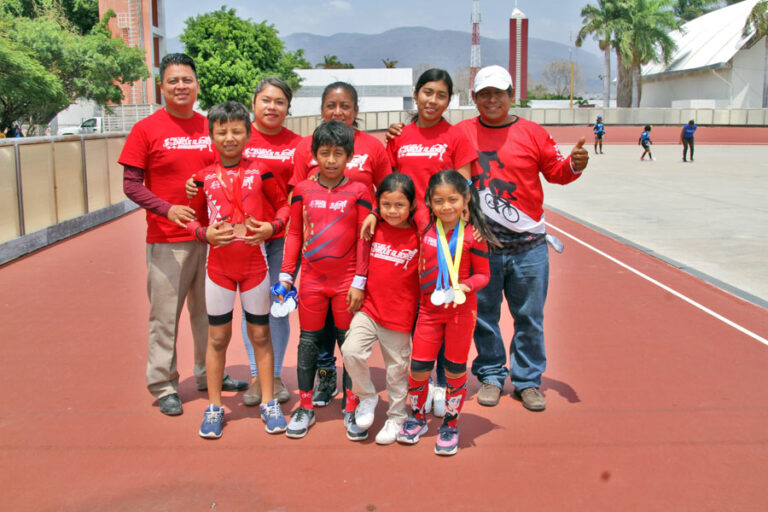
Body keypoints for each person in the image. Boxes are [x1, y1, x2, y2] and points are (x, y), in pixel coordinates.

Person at [454, 65, 589, 411]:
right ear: (474, 99)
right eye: (484, 94)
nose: (492, 100)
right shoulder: (462, 132)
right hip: (481, 246)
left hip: (528, 247)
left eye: (499, 93)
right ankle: (490, 376)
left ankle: (527, 381)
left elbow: (557, 174)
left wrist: (574, 164)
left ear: (512, 96)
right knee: (484, 315)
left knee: (529, 316)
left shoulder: (533, 133)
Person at [119, 53, 246, 416]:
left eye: (186, 80)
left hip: (212, 238)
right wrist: (167, 208)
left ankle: (209, 374)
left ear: (197, 85)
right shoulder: (146, 129)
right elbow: (131, 184)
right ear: (161, 87)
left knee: (209, 314)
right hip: (167, 241)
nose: (180, 86)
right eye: (173, 81)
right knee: (165, 315)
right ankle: (164, 384)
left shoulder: (211, 127)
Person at [187, 101, 289, 438]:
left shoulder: (261, 171)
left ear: (248, 134)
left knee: (260, 334)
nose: (229, 137)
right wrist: (204, 234)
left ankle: (269, 402)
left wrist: (271, 229)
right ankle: (215, 407)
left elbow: (286, 207)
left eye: (236, 131)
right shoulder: (201, 178)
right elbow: (192, 221)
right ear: (211, 135)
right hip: (218, 267)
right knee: (218, 337)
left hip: (255, 266)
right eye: (222, 131)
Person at [379, 68, 476, 418]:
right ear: (416, 94)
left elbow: (464, 191)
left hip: (444, 240)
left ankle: (439, 384)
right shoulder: (399, 135)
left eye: (441, 95)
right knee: (417, 310)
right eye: (427, 92)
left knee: (444, 307)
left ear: (449, 100)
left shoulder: (457, 136)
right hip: (407, 235)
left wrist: (459, 229)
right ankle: (414, 381)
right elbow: (390, 183)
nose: (432, 101)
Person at [291, 82, 391, 409]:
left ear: (356, 111)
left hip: (354, 254)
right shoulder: (306, 148)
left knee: (347, 330)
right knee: (314, 331)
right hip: (316, 264)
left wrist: (375, 214)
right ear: (321, 110)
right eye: (331, 105)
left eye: (345, 105)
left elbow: (386, 190)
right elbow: (298, 205)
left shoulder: (373, 147)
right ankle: (324, 375)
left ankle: (353, 396)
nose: (338, 111)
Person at [278, 121, 373, 439]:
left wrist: (360, 281)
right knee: (308, 344)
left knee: (351, 349)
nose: (331, 160)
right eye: (324, 153)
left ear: (349, 156)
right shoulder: (303, 189)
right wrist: (286, 276)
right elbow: (293, 234)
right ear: (314, 155)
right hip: (312, 283)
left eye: (338, 153)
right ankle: (305, 407)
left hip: (347, 283)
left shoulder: (360, 191)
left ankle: (351, 408)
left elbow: (364, 240)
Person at [395, 170, 493, 456]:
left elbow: (485, 275)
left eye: (453, 199)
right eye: (439, 200)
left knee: (453, 370)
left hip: (461, 313)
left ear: (465, 201)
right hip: (428, 311)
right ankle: (417, 418)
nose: (446, 206)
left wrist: (466, 284)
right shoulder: (425, 227)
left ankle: (450, 424)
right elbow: (398, 208)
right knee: (419, 368)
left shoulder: (475, 234)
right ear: (429, 202)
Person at [341, 173, 420, 444]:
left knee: (396, 370)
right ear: (378, 205)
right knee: (350, 351)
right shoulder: (374, 227)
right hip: (370, 309)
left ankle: (397, 416)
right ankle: (367, 396)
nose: (392, 211)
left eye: (400, 205)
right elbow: (361, 257)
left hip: (400, 315)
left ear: (411, 206)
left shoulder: (419, 234)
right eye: (386, 205)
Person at [239, 78, 303, 407]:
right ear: (254, 104)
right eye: (266, 100)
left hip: (282, 238)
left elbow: (299, 191)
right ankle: (255, 375)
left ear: (288, 109)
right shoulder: (239, 136)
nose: (272, 107)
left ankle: (275, 375)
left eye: (279, 102)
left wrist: (276, 225)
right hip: (243, 240)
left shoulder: (299, 144)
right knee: (251, 310)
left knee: (278, 307)